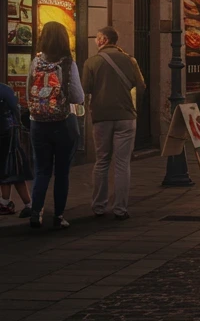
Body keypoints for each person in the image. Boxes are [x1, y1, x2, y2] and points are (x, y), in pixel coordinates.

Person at [82, 26, 146, 220]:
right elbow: (141, 87)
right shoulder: (130, 60)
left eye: (97, 37)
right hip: (126, 117)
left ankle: (99, 206)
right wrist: (133, 106)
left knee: (102, 161)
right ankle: (120, 208)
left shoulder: (91, 62)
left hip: (101, 117)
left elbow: (85, 88)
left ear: (102, 39)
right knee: (122, 163)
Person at [27, 20, 83, 229]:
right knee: (62, 172)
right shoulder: (68, 63)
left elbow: (27, 92)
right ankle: (58, 216)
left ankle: (36, 212)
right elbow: (77, 96)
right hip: (63, 122)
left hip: (37, 123)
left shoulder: (35, 62)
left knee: (41, 170)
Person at [0, 81, 32, 217]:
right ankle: (8, 202)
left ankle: (6, 202)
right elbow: (16, 109)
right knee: (12, 169)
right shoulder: (5, 90)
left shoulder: (4, 90)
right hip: (8, 133)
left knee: (7, 170)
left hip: (6, 134)